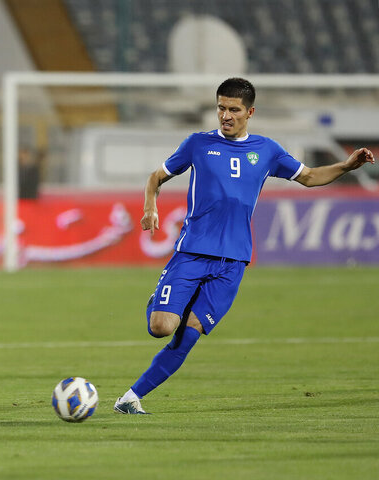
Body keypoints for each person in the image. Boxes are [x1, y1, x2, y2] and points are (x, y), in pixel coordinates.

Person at [114, 77, 375, 414]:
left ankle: (130, 399)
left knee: (188, 335)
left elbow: (309, 177)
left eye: (233, 109)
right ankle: (157, 302)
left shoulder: (266, 150)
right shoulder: (197, 143)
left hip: (233, 262)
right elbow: (156, 177)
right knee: (161, 327)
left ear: (249, 112)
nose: (226, 115)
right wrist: (150, 207)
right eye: (221, 107)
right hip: (193, 251)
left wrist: (346, 166)